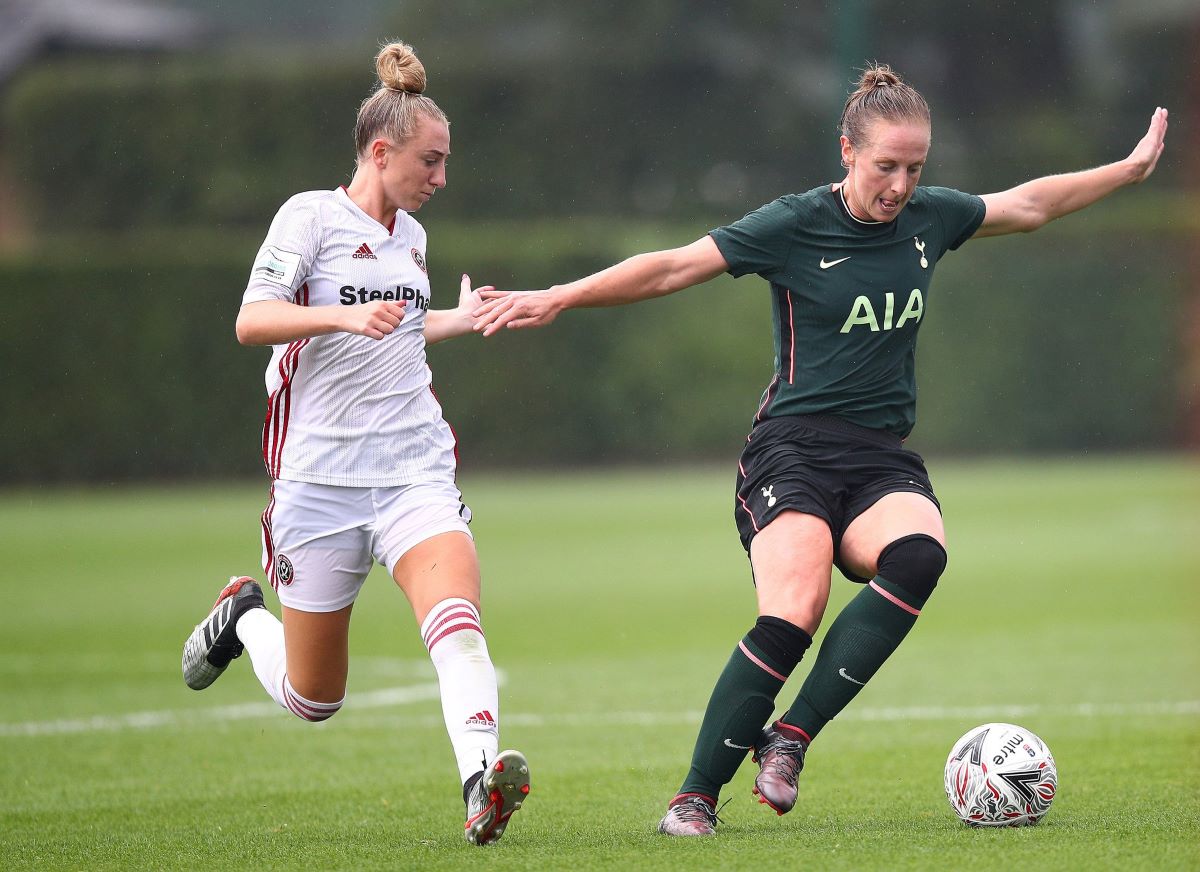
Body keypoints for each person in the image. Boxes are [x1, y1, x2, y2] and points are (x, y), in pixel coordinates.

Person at [472, 65, 1167, 836]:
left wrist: (1129, 169)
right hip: (790, 451)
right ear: (847, 151)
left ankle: (791, 737)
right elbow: (673, 265)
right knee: (795, 610)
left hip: (879, 457)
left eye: (914, 169)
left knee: (919, 557)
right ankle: (693, 798)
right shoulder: (795, 224)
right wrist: (558, 296)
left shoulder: (931, 219)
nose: (901, 185)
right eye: (885, 167)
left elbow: (1031, 205)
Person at [180, 40, 530, 846]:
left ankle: (480, 780)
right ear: (381, 151)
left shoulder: (412, 238)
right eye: (429, 162)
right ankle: (242, 620)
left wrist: (459, 319)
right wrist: (339, 313)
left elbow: (400, 332)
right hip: (318, 480)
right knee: (315, 697)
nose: (440, 179)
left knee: (457, 616)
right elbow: (250, 321)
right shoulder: (309, 217)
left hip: (414, 469)